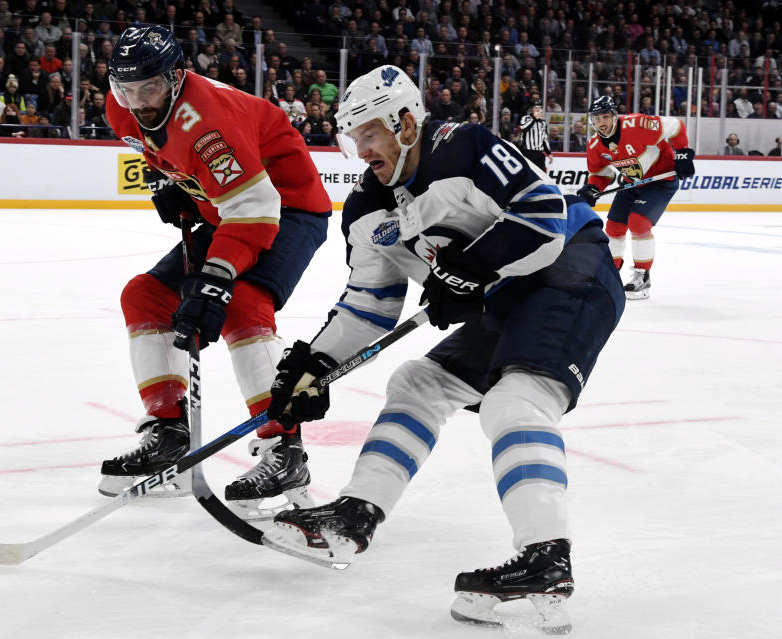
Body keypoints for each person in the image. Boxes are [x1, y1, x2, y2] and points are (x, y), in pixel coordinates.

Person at [259, 66, 625, 633]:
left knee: (517, 401)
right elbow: (370, 306)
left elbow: (545, 215)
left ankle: (546, 558)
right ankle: (355, 515)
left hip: (570, 266)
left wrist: (470, 270)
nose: (362, 150)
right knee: (419, 382)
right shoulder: (365, 210)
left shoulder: (464, 146)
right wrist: (315, 364)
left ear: (406, 121)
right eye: (353, 137)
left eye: (370, 133)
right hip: (505, 295)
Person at [98, 26, 332, 517]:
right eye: (127, 89)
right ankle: (168, 432)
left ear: (177, 78)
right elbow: (168, 149)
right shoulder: (120, 107)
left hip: (286, 207)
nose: (138, 102)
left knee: (242, 302)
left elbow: (255, 205)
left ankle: (282, 448)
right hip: (227, 208)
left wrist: (216, 276)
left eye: (150, 88)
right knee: (145, 298)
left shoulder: (209, 124)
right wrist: (179, 182)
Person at [576, 96, 696, 300]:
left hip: (660, 181)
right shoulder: (595, 144)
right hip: (631, 183)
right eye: (596, 119)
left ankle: (643, 277)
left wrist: (683, 153)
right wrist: (592, 187)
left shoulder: (638, 125)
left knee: (638, 223)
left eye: (605, 117)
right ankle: (609, 274)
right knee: (613, 227)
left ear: (614, 116)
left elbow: (675, 126)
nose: (601, 123)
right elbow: (601, 173)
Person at [518, 100, 552, 171]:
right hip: (527, 152)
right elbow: (523, 128)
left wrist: (549, 153)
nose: (538, 110)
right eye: (536, 108)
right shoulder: (525, 118)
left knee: (541, 174)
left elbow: (544, 139)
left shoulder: (543, 122)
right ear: (532, 109)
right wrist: (534, 118)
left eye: (540, 108)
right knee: (527, 173)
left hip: (539, 153)